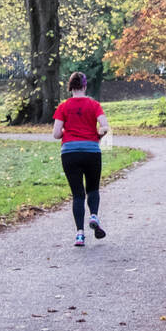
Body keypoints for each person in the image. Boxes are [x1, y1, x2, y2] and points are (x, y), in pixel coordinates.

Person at [52, 71, 111, 247]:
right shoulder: (94, 105)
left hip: (69, 153)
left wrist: (67, 132)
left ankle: (79, 235)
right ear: (85, 86)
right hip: (91, 151)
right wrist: (97, 134)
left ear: (70, 87)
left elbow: (56, 134)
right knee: (92, 189)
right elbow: (105, 126)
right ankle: (93, 215)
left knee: (78, 195)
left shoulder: (63, 107)